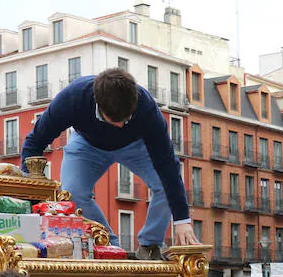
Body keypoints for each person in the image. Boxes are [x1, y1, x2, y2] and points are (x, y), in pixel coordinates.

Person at [20, 68, 200, 260]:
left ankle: (150, 245)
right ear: (98, 104)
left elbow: (168, 163)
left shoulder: (146, 107)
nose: (121, 126)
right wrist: (28, 192)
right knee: (71, 193)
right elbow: (34, 142)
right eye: (114, 120)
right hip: (86, 145)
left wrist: (182, 219)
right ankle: (108, 245)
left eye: (126, 119)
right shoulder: (73, 98)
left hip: (136, 146)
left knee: (164, 185)